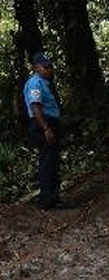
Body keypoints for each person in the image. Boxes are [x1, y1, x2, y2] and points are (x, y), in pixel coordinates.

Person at [23, 53, 62, 210]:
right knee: (47, 161)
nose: (49, 69)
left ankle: (53, 196)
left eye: (50, 66)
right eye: (45, 67)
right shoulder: (35, 83)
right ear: (36, 68)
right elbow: (35, 106)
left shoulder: (45, 82)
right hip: (42, 123)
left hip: (49, 122)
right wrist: (46, 128)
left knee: (53, 159)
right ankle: (47, 200)